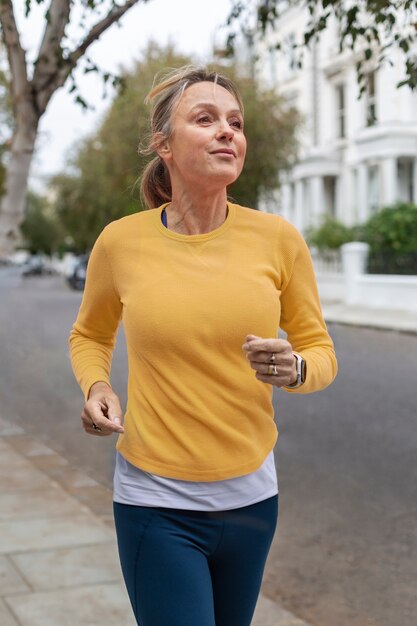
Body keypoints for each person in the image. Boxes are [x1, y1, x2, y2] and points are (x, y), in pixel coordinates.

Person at [69, 65, 337, 626]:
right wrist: (97, 387)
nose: (227, 132)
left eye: (235, 123)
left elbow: (320, 351)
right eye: (206, 118)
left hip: (253, 501)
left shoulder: (278, 239)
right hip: (154, 501)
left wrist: (295, 368)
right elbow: (91, 334)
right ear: (163, 145)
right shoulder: (120, 242)